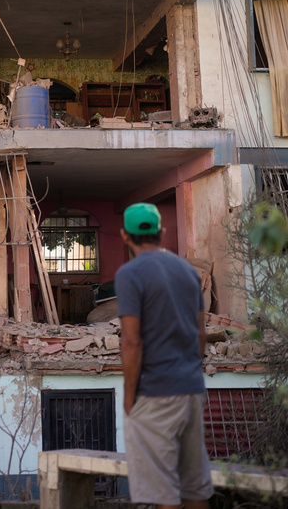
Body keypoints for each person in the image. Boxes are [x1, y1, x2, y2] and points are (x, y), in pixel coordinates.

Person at [116, 202, 212, 509]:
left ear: (124, 236)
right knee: (195, 488)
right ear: (162, 232)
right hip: (192, 391)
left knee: (163, 493)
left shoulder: (130, 274)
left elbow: (132, 342)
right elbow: (201, 336)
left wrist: (129, 397)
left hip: (156, 394)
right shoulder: (188, 270)